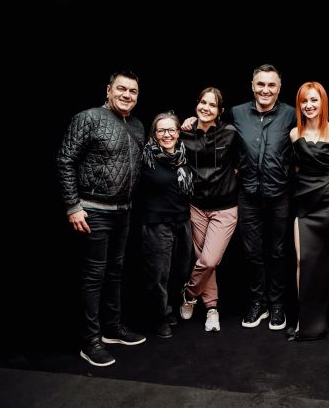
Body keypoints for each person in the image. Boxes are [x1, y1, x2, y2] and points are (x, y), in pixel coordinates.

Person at [182, 64, 295, 331]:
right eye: (260, 84)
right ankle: (258, 303)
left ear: (279, 88)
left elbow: (315, 127)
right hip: (247, 195)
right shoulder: (238, 112)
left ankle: (277, 305)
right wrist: (189, 121)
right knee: (252, 253)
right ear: (252, 86)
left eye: (271, 85)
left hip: (279, 194)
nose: (265, 89)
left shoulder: (291, 114)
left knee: (277, 252)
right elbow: (211, 124)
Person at [57, 70, 146, 367]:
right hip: (93, 211)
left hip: (124, 211)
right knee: (94, 277)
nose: (127, 95)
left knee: (116, 273)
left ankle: (112, 328)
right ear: (108, 90)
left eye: (132, 91)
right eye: (121, 89)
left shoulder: (137, 125)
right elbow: (65, 159)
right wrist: (73, 206)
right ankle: (90, 340)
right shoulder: (88, 118)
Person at [288, 81, 329, 343]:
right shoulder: (294, 133)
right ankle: (305, 321)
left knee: (328, 262)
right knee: (302, 261)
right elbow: (296, 169)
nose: (309, 105)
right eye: (304, 101)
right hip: (304, 202)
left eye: (314, 100)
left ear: (322, 102)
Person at [178, 87, 239, 333]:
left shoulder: (230, 133)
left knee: (210, 259)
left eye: (212, 105)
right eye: (203, 102)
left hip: (224, 208)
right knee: (204, 261)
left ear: (220, 111)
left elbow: (241, 163)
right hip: (196, 207)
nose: (206, 108)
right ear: (197, 104)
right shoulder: (184, 132)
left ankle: (189, 293)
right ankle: (212, 309)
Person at [141, 112, 194, 339]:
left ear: (178, 132)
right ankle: (159, 317)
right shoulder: (146, 157)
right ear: (154, 134)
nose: (167, 134)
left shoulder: (184, 155)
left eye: (171, 130)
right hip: (157, 224)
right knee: (159, 275)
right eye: (161, 130)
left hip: (183, 221)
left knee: (181, 271)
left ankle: (170, 307)